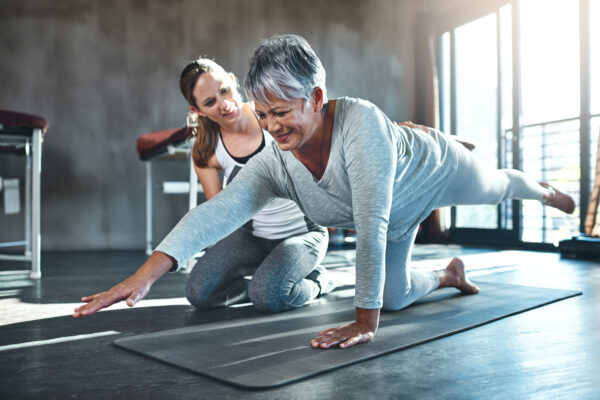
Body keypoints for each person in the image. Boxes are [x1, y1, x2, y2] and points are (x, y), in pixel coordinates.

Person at [75, 35, 575, 351]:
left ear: (316, 97)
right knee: (396, 296)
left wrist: (362, 321)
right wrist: (142, 277)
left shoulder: (360, 127)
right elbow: (220, 210)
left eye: (284, 112)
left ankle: (541, 187)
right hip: (397, 217)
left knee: (495, 187)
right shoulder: (274, 158)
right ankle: (449, 274)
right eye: (264, 115)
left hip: (432, 172)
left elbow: (370, 222)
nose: (273, 127)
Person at [74, 58, 332, 317]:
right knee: (199, 293)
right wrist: (146, 276)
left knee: (267, 297)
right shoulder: (207, 149)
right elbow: (217, 215)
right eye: (210, 102)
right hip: (253, 236)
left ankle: (319, 281)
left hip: (302, 234)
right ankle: (259, 283)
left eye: (224, 90)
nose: (224, 104)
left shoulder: (271, 117)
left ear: (232, 80)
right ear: (197, 110)